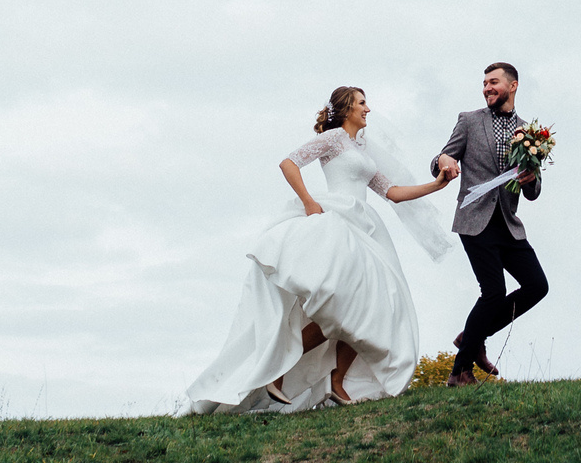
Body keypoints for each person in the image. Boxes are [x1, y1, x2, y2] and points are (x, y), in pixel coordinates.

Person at [183, 86, 458, 412]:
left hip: (365, 225)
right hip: (337, 220)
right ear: (346, 109)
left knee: (371, 304)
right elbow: (288, 163)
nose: (368, 109)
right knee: (341, 301)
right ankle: (281, 370)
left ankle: (336, 380)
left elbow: (392, 193)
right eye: (362, 103)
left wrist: (437, 185)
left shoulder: (363, 148)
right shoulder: (333, 139)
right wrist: (309, 202)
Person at [431, 61, 548, 387]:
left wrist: (529, 179)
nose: (487, 88)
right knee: (493, 292)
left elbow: (534, 191)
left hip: (508, 224)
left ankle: (474, 335)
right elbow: (440, 158)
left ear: (513, 86)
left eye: (494, 82)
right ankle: (459, 372)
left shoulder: (530, 132)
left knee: (537, 286)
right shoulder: (469, 121)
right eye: (484, 83)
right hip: (474, 220)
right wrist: (443, 161)